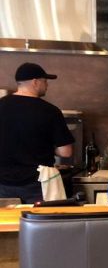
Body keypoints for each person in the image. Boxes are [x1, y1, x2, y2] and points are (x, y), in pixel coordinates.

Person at [0, 63, 74, 204]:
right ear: (35, 82)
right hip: (37, 184)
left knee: (6, 224)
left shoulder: (1, 105)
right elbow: (66, 152)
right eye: (45, 81)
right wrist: (46, 147)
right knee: (39, 224)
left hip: (3, 184)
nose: (47, 85)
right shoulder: (50, 111)